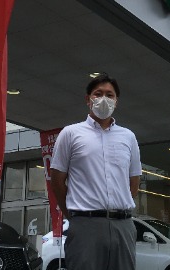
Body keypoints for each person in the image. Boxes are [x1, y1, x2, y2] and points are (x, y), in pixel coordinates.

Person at [49, 73, 141, 270]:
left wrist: (118, 207)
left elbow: (134, 181)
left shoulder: (128, 137)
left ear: (116, 101)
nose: (104, 99)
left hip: (123, 225)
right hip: (85, 225)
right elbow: (57, 181)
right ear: (88, 99)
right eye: (98, 94)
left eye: (110, 95)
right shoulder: (70, 133)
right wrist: (74, 216)